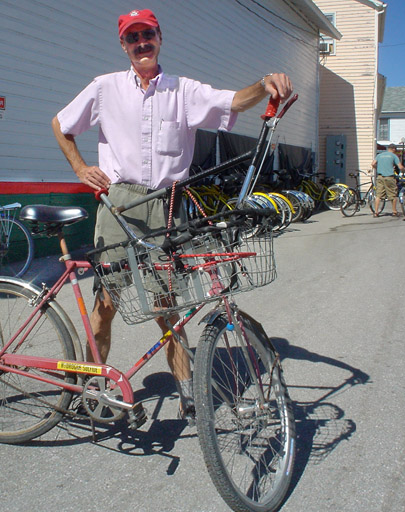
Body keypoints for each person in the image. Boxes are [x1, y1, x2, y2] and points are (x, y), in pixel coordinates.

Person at [52, 8, 293, 421]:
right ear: (123, 45)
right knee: (108, 301)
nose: (141, 43)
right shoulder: (105, 88)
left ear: (160, 38)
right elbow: (61, 124)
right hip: (118, 203)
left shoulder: (184, 91)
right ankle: (97, 384)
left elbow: (232, 101)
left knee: (169, 305)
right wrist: (79, 168)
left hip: (167, 205)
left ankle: (187, 394)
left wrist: (264, 83)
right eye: (133, 37)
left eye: (148, 34)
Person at [371, 144, 405, 217]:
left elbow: (373, 164)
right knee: (393, 195)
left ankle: (376, 212)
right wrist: (404, 170)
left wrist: (377, 168)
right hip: (389, 177)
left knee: (378, 195)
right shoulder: (393, 156)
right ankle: (394, 211)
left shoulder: (379, 155)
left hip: (380, 177)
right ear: (393, 149)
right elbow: (400, 166)